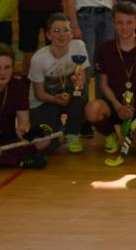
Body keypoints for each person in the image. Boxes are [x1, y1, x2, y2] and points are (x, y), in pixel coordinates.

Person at [62, 0, 116, 127]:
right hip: (85, 18)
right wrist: (73, 25)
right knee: (85, 69)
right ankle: (80, 118)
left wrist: (117, 19)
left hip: (107, 18)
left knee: (105, 68)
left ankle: (101, 116)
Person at [85, 1, 136, 154]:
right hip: (115, 105)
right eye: (119, 23)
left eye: (129, 23)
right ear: (114, 23)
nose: (124, 27)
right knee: (92, 109)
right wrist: (118, 106)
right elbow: (103, 84)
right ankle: (111, 135)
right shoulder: (105, 48)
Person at [28, 13, 90, 153]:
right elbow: (39, 94)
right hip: (44, 101)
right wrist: (55, 100)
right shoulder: (39, 59)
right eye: (56, 31)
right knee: (48, 147)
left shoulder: (79, 46)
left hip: (66, 95)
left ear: (71, 33)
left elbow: (82, 75)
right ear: (49, 35)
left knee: (80, 94)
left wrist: (79, 81)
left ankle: (73, 134)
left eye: (65, 30)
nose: (62, 35)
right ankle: (58, 127)